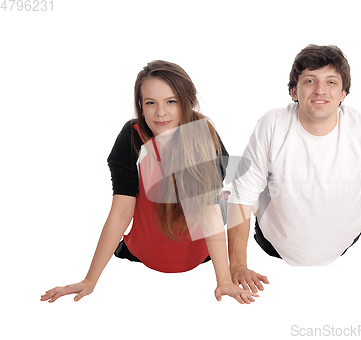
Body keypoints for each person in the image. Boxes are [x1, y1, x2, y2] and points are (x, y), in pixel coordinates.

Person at [41, 61, 258, 304]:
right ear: (140, 106)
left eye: (171, 101)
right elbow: (121, 211)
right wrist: (89, 280)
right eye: (150, 103)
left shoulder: (202, 133)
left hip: (199, 254)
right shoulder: (131, 135)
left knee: (240, 194)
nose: (161, 113)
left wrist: (224, 280)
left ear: (187, 102)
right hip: (144, 252)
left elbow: (210, 210)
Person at [226, 45, 361, 295]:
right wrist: (237, 265)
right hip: (272, 245)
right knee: (243, 190)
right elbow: (242, 196)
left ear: (344, 93)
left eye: (331, 82)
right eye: (310, 81)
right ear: (294, 91)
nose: (320, 90)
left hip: (344, 245)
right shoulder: (273, 124)